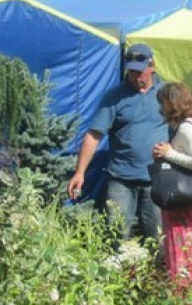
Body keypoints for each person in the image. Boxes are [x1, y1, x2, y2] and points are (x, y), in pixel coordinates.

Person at [67, 43, 167, 244]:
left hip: (157, 177)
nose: (135, 77)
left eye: (139, 72)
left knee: (158, 236)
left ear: (152, 66)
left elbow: (188, 123)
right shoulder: (115, 96)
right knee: (116, 233)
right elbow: (93, 135)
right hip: (121, 178)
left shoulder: (166, 93)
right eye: (131, 72)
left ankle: (158, 273)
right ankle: (118, 270)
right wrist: (80, 172)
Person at [152, 82, 192, 291]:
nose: (161, 109)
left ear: (172, 104)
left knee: (187, 258)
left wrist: (168, 154)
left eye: (163, 103)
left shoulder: (187, 127)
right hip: (189, 206)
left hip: (185, 207)